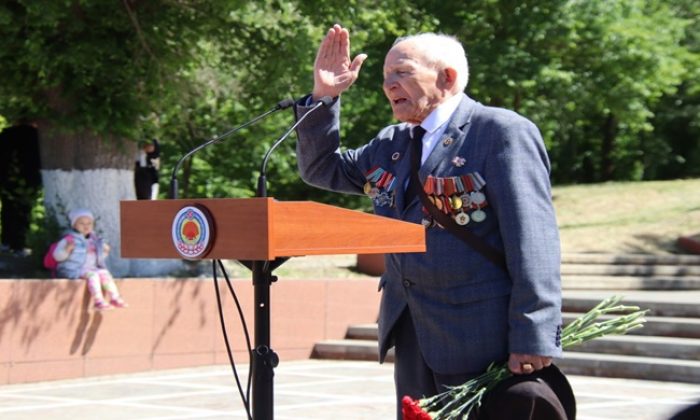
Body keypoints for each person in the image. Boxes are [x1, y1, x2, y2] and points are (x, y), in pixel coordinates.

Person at [294, 25, 571, 419]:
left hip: (481, 336)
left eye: (401, 72)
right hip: (412, 333)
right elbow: (320, 168)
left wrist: (534, 333)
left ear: (448, 77)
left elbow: (534, 242)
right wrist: (324, 98)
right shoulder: (391, 143)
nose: (388, 84)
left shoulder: (500, 132)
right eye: (385, 76)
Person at [53, 208, 128, 311]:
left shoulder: (94, 240)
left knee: (104, 273)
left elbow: (98, 257)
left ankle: (115, 297)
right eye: (82, 223)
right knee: (93, 275)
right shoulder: (69, 239)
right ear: (74, 225)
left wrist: (104, 251)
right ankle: (98, 301)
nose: (86, 226)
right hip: (74, 270)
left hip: (91, 268)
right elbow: (57, 256)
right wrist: (66, 250)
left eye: (89, 223)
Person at [0, 122, 42, 255]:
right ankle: (19, 244)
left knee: (8, 208)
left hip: (6, 177)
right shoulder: (35, 135)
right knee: (23, 210)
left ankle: (6, 241)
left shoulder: (7, 134)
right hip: (28, 177)